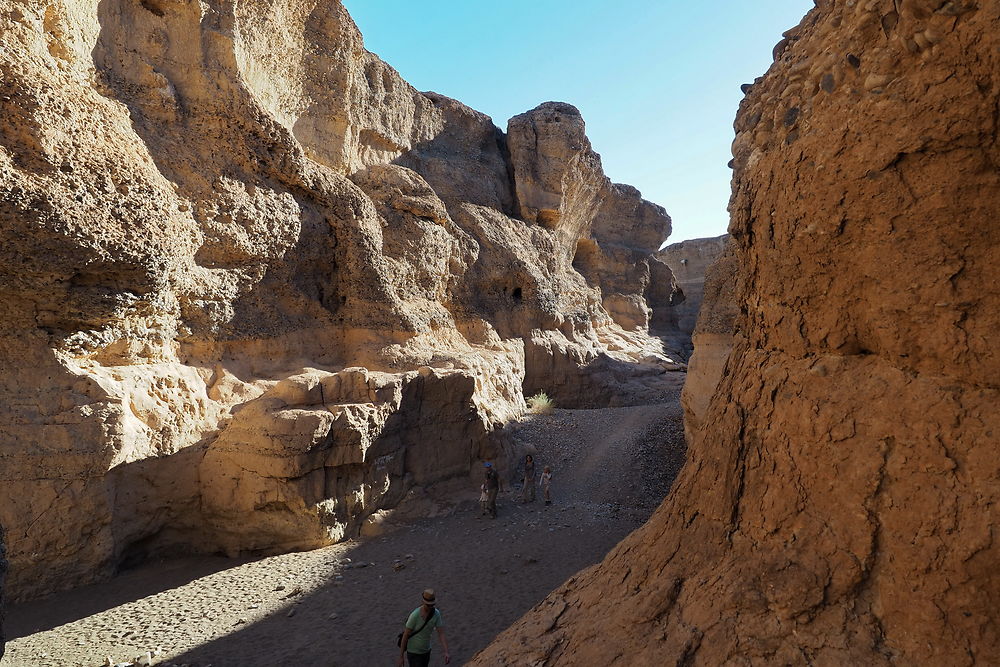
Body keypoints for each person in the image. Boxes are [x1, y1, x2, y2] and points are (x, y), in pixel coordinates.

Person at [398, 588, 450, 667]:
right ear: (423, 602)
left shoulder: (436, 614)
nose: (430, 607)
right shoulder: (414, 615)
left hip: (426, 651)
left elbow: (441, 633)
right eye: (428, 605)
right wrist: (401, 657)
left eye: (432, 605)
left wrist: (446, 652)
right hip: (413, 653)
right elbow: (405, 635)